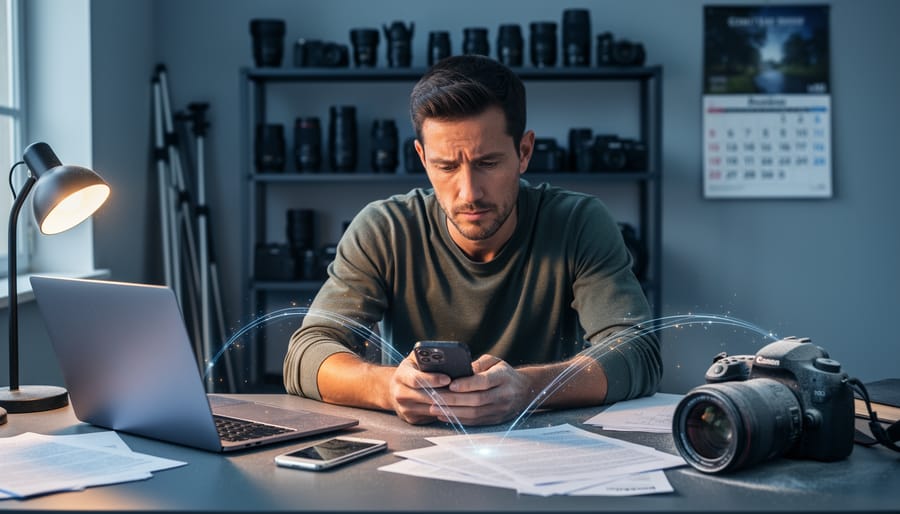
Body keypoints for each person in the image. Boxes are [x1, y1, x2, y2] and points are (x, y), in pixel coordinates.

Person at [283, 54, 661, 426]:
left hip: (547, 453)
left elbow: (638, 351)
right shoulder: (384, 229)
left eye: (487, 163)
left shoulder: (578, 223)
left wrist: (526, 388)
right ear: (422, 157)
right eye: (446, 166)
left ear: (524, 152)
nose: (469, 193)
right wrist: (387, 387)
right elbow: (306, 351)